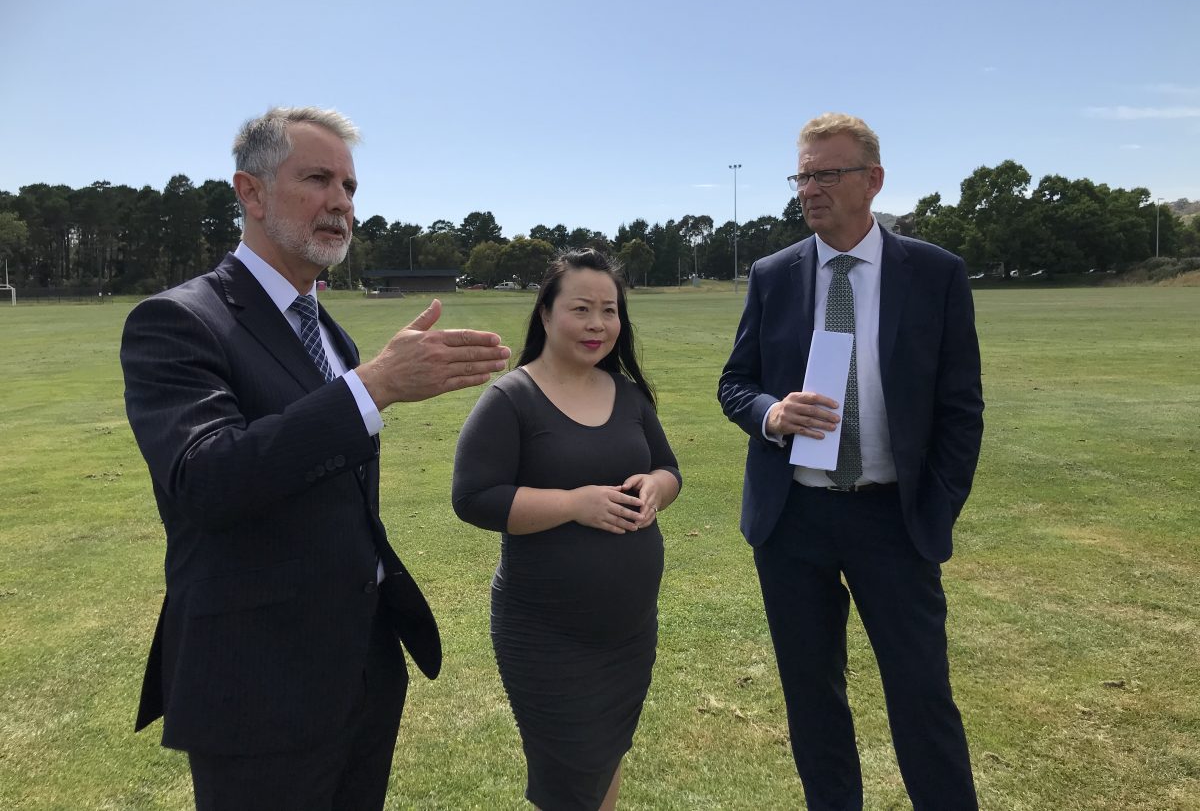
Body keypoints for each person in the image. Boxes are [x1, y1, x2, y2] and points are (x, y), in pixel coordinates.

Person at [121, 106, 511, 811]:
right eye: (318, 179)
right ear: (250, 192)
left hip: (360, 672)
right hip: (257, 686)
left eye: (351, 187)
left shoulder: (328, 331)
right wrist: (372, 388)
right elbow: (205, 480)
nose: (341, 202)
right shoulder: (178, 321)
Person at [717, 113, 984, 811]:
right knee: (813, 699)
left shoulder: (934, 274)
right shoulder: (774, 274)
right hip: (794, 519)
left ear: (874, 180)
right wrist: (771, 414)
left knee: (922, 696)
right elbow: (735, 383)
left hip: (892, 518)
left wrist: (935, 508)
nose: (809, 188)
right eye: (802, 173)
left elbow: (961, 409)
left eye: (826, 173)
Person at [452, 248, 681, 811]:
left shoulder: (627, 394)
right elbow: (473, 498)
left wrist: (655, 488)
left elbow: (669, 469)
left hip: (628, 632)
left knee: (603, 761)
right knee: (567, 776)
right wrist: (574, 503)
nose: (598, 324)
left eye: (610, 310)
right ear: (547, 314)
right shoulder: (512, 399)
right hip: (546, 635)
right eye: (581, 308)